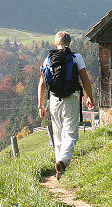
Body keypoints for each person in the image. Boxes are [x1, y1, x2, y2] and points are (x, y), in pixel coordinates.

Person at [38, 31, 94, 179]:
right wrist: (89, 97)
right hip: (71, 98)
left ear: (56, 43)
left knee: (58, 133)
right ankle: (63, 161)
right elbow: (85, 80)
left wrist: (41, 106)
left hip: (54, 100)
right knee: (71, 133)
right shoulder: (76, 57)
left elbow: (42, 84)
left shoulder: (48, 59)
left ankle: (59, 165)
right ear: (69, 43)